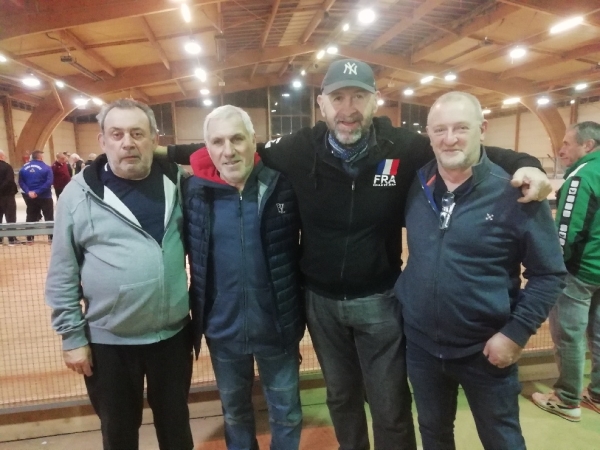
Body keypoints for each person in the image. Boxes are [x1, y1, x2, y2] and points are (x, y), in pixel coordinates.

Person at [164, 59, 552, 450]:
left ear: (375, 101)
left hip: (381, 301)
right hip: (320, 303)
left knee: (389, 402)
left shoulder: (404, 147)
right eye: (338, 98)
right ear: (322, 105)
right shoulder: (298, 149)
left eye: (359, 97)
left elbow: (467, 148)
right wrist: (161, 152)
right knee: (341, 398)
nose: (348, 108)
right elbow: (234, 147)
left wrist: (528, 165)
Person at [394, 91, 566, 450]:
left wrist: (515, 334)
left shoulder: (515, 191)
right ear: (428, 134)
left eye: (461, 128)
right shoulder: (417, 183)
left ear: (482, 129)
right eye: (440, 130)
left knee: (501, 439)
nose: (450, 138)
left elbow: (549, 273)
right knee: (433, 434)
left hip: (487, 351)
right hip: (423, 348)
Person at [45, 99, 194, 450]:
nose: (128, 142)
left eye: (137, 133)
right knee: (119, 434)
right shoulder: (77, 195)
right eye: (117, 134)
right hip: (109, 343)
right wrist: (72, 337)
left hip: (172, 338)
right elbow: (63, 273)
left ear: (153, 139)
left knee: (176, 429)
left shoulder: (177, 180)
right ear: (103, 141)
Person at [183, 105, 304, 449]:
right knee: (235, 413)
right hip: (223, 330)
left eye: (237, 138)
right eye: (218, 141)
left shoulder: (282, 187)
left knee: (287, 412)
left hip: (277, 327)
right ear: (207, 148)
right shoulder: (195, 193)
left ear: (253, 141)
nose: (229, 150)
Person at [532, 121, 600, 422]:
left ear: (588, 145)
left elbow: (568, 229)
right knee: (598, 334)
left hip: (580, 271)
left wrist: (553, 267)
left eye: (567, 144)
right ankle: (597, 393)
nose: (560, 151)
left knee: (569, 336)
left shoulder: (582, 176)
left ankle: (567, 399)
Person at [18, 149, 53, 243]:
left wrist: (29, 192)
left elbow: (21, 182)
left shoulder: (23, 168)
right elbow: (49, 182)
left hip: (30, 197)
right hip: (45, 196)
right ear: (40, 157)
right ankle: (51, 238)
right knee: (48, 216)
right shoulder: (47, 167)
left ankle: (29, 238)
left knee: (31, 216)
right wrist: (38, 191)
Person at [0, 149, 21, 246]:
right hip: (7, 196)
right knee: (10, 217)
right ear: (2, 156)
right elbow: (9, 181)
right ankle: (11, 239)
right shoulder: (7, 167)